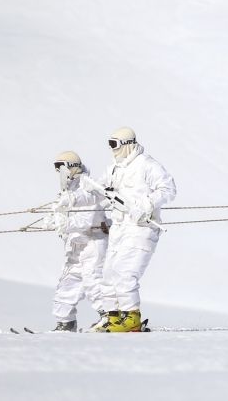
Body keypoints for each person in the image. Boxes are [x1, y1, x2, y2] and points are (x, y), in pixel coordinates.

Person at [76, 127, 177, 332]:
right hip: (119, 227)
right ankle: (113, 317)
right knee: (109, 273)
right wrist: (74, 197)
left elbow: (168, 189)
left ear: (127, 144)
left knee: (125, 272)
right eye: (110, 144)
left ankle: (131, 318)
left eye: (115, 144)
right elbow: (97, 193)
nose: (112, 149)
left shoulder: (147, 165)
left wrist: (146, 205)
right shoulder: (115, 168)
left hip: (141, 227)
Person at [42, 151, 109, 332]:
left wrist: (64, 223)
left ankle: (109, 317)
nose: (58, 171)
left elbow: (87, 219)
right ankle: (66, 322)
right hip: (75, 246)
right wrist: (52, 219)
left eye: (61, 166)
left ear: (71, 167)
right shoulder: (68, 190)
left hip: (93, 242)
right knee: (68, 282)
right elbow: (61, 211)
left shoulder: (89, 187)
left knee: (93, 280)